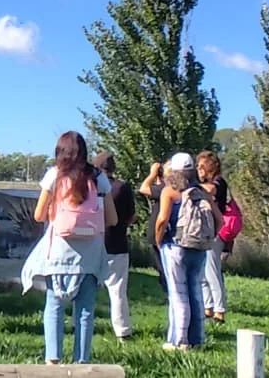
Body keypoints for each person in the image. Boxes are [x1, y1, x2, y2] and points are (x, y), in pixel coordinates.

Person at [21, 131, 118, 365]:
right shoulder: (98, 177)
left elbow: (38, 215)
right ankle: (81, 361)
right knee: (85, 310)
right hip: (90, 255)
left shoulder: (54, 175)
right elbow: (112, 219)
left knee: (54, 305)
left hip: (59, 252)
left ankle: (53, 359)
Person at [155, 153, 221, 352]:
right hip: (200, 247)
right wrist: (209, 237)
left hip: (175, 246)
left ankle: (178, 340)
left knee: (178, 294)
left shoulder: (170, 191)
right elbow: (220, 220)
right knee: (196, 292)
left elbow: (162, 220)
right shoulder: (202, 191)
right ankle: (197, 340)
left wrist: (159, 242)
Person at [94, 152, 136, 341]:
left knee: (84, 288)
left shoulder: (89, 186)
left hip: (92, 243)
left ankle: (78, 324)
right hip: (117, 243)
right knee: (118, 290)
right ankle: (122, 330)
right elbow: (131, 217)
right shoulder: (123, 187)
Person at [196, 151, 229, 324]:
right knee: (202, 272)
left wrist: (191, 184)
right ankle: (208, 307)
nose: (199, 170)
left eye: (202, 166)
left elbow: (211, 190)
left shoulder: (218, 181)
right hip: (204, 230)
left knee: (212, 271)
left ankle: (220, 310)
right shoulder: (205, 183)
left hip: (215, 231)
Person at [138, 163, 168, 292]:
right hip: (166, 232)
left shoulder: (164, 189)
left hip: (160, 233)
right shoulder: (171, 188)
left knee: (164, 268)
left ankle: (169, 295)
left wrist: (152, 174)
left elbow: (143, 188)